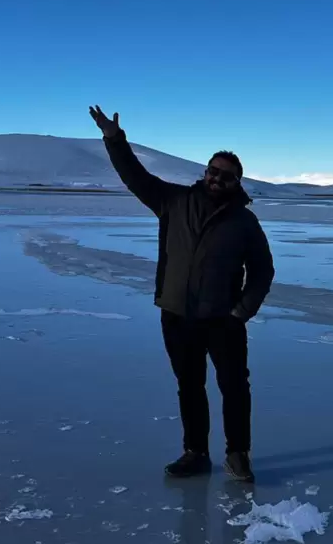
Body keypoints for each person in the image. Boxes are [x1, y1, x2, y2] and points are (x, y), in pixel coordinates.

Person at [90, 105, 275, 483]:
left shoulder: (244, 221)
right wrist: (114, 139)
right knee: (189, 386)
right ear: (204, 172)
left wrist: (241, 311)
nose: (216, 178)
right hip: (177, 314)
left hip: (224, 320)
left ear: (237, 182)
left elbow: (262, 270)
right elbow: (134, 176)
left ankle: (237, 455)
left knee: (235, 389)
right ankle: (196, 453)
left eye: (226, 175)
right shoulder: (173, 201)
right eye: (212, 170)